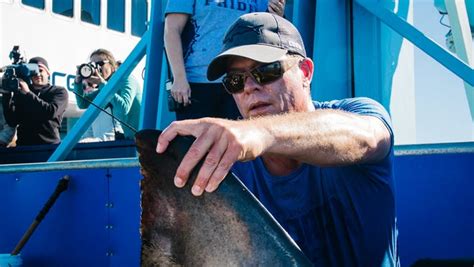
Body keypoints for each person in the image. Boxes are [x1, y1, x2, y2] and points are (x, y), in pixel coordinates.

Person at [156, 13, 399, 266]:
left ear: (305, 72)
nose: (249, 87)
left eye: (266, 70)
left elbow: (367, 138)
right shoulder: (224, 167)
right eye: (235, 81)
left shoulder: (359, 113)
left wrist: (259, 133)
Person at [164, 0, 285, 120]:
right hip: (197, 83)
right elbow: (172, 31)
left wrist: (277, 17)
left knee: (239, 137)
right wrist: (179, 78)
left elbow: (266, 33)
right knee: (197, 139)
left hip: (241, 83)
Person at [74, 49, 142, 141]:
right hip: (129, 140)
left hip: (144, 140)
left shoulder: (127, 78)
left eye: (100, 64)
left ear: (112, 67)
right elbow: (83, 103)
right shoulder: (107, 87)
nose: (96, 68)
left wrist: (102, 84)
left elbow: (123, 108)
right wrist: (77, 82)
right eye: (92, 65)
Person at [2, 57, 68, 146]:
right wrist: (7, 95)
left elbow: (50, 112)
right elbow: (12, 121)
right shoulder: (22, 92)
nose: (37, 74)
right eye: (33, 72)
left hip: (50, 147)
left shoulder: (59, 91)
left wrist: (28, 93)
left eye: (40, 71)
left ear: (48, 73)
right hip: (24, 148)